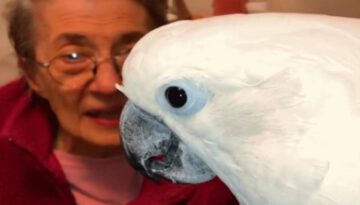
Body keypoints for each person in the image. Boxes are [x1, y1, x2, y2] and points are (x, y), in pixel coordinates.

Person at [0, 0, 238, 205]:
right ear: (32, 75)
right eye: (73, 57)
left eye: (130, 51)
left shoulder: (225, 165)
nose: (108, 84)